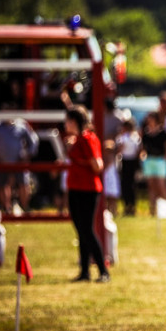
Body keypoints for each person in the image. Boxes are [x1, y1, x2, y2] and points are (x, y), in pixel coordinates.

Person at [64, 106, 110, 283]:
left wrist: (81, 158)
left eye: (68, 120)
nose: (65, 123)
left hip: (88, 189)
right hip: (75, 187)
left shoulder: (86, 138)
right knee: (81, 231)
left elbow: (97, 165)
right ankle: (84, 272)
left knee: (87, 230)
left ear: (74, 121)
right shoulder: (78, 139)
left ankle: (103, 270)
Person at [0, 117, 39, 215]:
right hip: (1, 162)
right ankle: (6, 209)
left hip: (19, 162)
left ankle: (25, 208)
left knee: (24, 184)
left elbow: (33, 140)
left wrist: (27, 154)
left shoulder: (21, 125)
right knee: (3, 185)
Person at [140, 113, 166, 216]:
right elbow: (143, 148)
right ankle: (152, 210)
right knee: (151, 186)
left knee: (161, 185)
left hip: (160, 160)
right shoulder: (146, 133)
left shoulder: (163, 132)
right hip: (149, 160)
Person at [116, 119, 141, 217]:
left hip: (130, 162)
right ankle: (128, 205)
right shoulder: (127, 137)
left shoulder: (132, 137)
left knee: (130, 185)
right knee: (127, 184)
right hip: (127, 161)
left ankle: (131, 205)